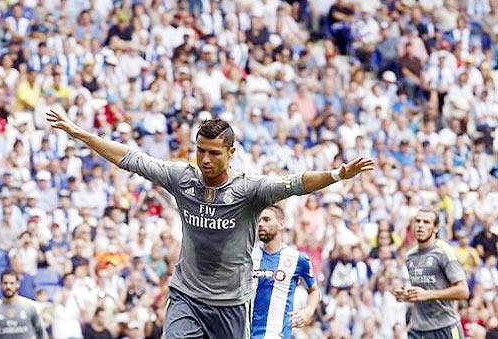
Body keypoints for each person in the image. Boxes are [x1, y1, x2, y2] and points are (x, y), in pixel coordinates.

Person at [45, 110, 374, 338]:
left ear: (230, 152)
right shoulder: (181, 178)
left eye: (214, 153)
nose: (204, 159)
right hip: (187, 295)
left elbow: (297, 183)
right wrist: (79, 133)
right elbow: (130, 158)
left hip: (231, 303)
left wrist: (336, 175)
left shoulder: (249, 189)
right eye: (200, 151)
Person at [391, 208, 469, 339]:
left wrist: (427, 295)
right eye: (417, 221)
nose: (420, 225)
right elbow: (423, 290)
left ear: (436, 228)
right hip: (418, 329)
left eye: (426, 222)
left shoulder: (444, 252)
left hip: (445, 328)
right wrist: (405, 295)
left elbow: (463, 291)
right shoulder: (410, 256)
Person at [251, 204, 320, 339]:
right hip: (245, 333)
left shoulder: (298, 259)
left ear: (281, 224)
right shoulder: (248, 257)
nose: (260, 224)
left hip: (277, 335)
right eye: (258, 221)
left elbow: (314, 290)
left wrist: (308, 311)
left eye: (266, 220)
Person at [0, 269, 47, 339]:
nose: (8, 286)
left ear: (18, 284)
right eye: (5, 283)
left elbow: (41, 333)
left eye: (12, 283)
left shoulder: (30, 307)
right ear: (0, 284)